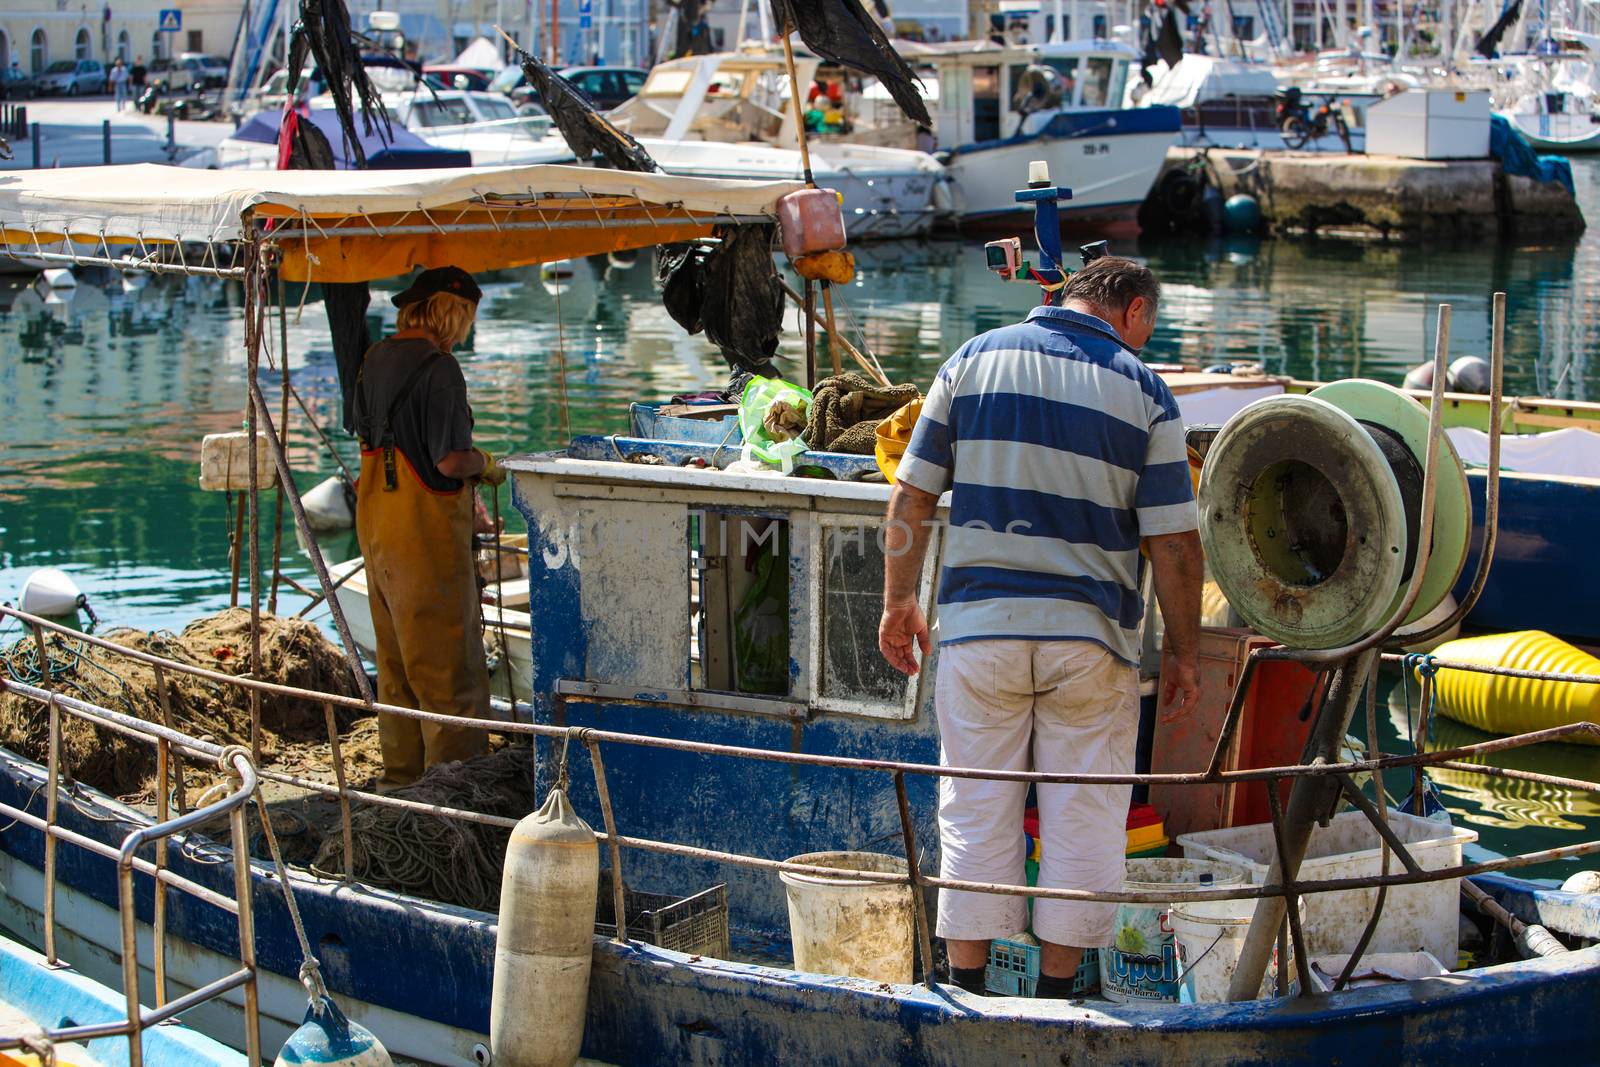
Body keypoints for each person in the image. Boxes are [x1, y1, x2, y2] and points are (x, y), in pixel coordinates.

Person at [877, 257, 1203, 998]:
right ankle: (1059, 1000)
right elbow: (1176, 544)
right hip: (1091, 643)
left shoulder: (971, 360)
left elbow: (911, 495)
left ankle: (967, 987)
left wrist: (900, 600)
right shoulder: (1145, 391)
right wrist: (1183, 653)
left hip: (978, 633)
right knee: (1083, 818)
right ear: (1136, 313)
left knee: (974, 803)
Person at [352, 266, 503, 791]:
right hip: (424, 537)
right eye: (466, 318)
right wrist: (488, 463)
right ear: (452, 312)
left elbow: (371, 442)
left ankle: (401, 780)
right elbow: (448, 462)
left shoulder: (373, 359)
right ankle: (453, 791)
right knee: (449, 674)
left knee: (396, 670)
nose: (466, 331)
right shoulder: (440, 369)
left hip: (376, 525)